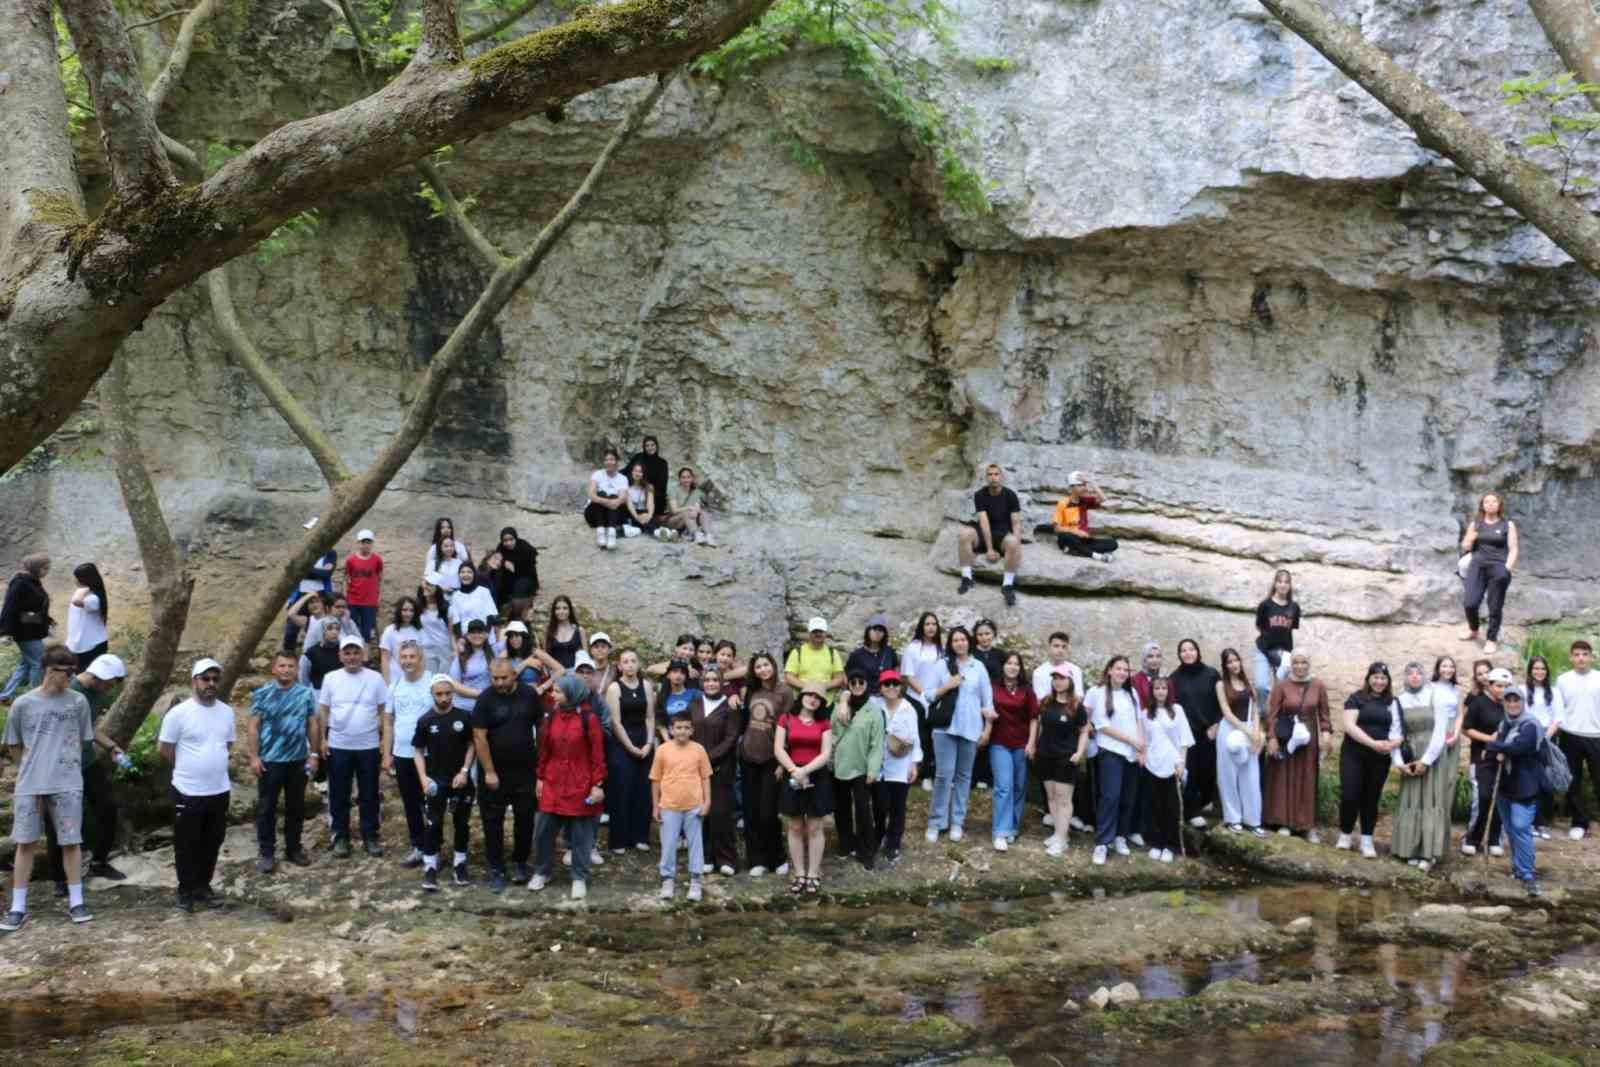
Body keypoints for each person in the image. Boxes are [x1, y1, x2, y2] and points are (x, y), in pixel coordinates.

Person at [1, 645, 96, 932]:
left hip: (67, 781)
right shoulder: (23, 704)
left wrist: (64, 764)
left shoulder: (78, 702)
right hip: (30, 783)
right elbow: (14, 744)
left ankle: (76, 901)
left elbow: (81, 740)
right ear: (48, 670)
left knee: (71, 841)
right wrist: (31, 767)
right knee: (26, 842)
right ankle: (18, 907)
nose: (70, 676)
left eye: (73, 671)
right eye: (65, 671)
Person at [159, 658, 236, 913]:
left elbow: (228, 745)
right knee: (186, 843)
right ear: (194, 681)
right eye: (206, 679)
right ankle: (185, 890)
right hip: (188, 790)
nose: (211, 684)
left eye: (215, 679)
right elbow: (165, 749)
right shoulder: (178, 714)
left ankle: (203, 886)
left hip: (219, 789)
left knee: (212, 841)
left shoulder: (226, 711)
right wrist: (189, 770)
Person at [47, 653, 129, 888]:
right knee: (59, 820)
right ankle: (59, 878)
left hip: (87, 762)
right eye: (111, 683)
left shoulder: (94, 693)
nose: (111, 688)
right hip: (62, 766)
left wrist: (111, 747)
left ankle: (99, 862)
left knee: (107, 806)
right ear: (99, 677)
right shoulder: (70, 692)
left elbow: (89, 727)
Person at [530, 675, 606, 899]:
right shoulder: (551, 717)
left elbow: (597, 754)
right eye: (553, 690)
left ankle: (579, 876)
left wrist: (597, 783)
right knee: (543, 830)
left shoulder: (588, 719)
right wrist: (540, 777)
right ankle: (543, 872)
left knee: (581, 834)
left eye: (558, 691)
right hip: (553, 781)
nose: (553, 695)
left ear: (572, 693)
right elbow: (544, 750)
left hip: (579, 781)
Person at [471, 657, 542, 893]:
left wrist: (540, 765)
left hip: (525, 771)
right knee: (492, 822)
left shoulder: (530, 695)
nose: (499, 683)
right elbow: (479, 737)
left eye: (503, 678)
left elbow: (540, 728)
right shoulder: (485, 700)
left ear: (514, 674)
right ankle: (496, 868)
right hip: (494, 773)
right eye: (494, 678)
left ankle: (520, 862)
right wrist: (489, 771)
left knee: (525, 818)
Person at [248, 651, 318, 874]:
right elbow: (253, 727)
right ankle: (267, 852)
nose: (286, 670)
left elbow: (312, 724)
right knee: (266, 807)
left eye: (290, 666)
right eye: (282, 666)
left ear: (297, 669)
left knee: (295, 807)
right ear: (274, 669)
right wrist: (254, 757)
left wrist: (314, 754)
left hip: (297, 760)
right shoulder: (263, 693)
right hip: (270, 761)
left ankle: (293, 848)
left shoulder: (305, 694)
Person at [925, 626, 993, 843]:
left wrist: (987, 729)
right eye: (955, 640)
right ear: (950, 644)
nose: (960, 643)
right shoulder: (942, 665)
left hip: (970, 728)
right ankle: (936, 822)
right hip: (945, 728)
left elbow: (987, 701)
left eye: (963, 639)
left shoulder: (978, 667)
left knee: (964, 777)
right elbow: (927, 695)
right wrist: (947, 686)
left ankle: (957, 822)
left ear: (969, 641)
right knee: (944, 775)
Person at [1391, 661, 1457, 872]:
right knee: (1412, 800)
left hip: (1434, 755)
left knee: (1432, 800)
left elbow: (1440, 731)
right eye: (1410, 673)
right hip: (1410, 754)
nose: (1415, 676)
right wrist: (1399, 763)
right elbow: (1395, 732)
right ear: (1405, 677)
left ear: (1425, 675)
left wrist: (1426, 760)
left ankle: (1430, 852)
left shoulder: (1434, 695)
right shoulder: (1398, 700)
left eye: (1419, 672)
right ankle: (1410, 848)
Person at [412, 674, 476, 890]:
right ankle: (430, 866)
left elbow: (471, 745)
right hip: (435, 780)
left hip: (460, 780)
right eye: (439, 694)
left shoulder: (464, 717)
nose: (444, 698)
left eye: (448, 693)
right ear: (432, 694)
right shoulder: (425, 720)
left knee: (461, 823)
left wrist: (465, 771)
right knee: (433, 823)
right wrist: (422, 777)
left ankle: (460, 863)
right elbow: (418, 751)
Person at [1262, 651, 1331, 841]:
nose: (1300, 666)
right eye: (1296, 662)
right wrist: (1272, 738)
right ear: (1290, 665)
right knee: (1284, 777)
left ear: (1309, 664)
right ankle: (1283, 822)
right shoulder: (1281, 685)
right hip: (1286, 735)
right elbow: (1272, 715)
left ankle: (1307, 826)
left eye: (1304, 662)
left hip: (1309, 737)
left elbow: (1324, 714)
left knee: (1307, 778)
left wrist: (1326, 735)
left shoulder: (1318, 685)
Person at [1338, 662, 1402, 858]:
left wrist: (1391, 745)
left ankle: (1367, 840)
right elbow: (1350, 726)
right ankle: (1345, 835)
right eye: (1375, 677)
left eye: (1383, 678)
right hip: (1353, 754)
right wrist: (1373, 743)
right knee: (1350, 795)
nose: (1379, 681)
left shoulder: (1393, 702)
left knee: (1371, 798)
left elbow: (1400, 731)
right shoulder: (1356, 698)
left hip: (1380, 758)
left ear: (1388, 681)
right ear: (1368, 679)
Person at [1086, 656, 1145, 865]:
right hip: (1110, 751)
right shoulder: (1097, 692)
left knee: (1128, 798)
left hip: (1131, 753)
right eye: (1118, 668)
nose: (1122, 673)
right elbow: (1100, 725)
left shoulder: (1132, 693)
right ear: (1109, 670)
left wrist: (1140, 747)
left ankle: (1121, 836)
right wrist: (1130, 740)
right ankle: (1102, 842)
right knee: (1110, 796)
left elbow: (1139, 720)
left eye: (1126, 670)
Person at [777, 684, 835, 895]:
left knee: (815, 827)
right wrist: (795, 770)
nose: (813, 699)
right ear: (801, 696)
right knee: (794, 826)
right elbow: (778, 748)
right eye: (810, 694)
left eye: (818, 697)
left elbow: (826, 752)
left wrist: (805, 771)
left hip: (816, 776)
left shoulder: (824, 723)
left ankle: (813, 873)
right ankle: (799, 873)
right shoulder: (786, 719)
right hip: (792, 774)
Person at [1487, 688, 1543, 897]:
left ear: (1522, 702)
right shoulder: (1505, 724)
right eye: (1508, 701)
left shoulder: (1530, 724)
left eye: (1516, 700)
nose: (1512, 704)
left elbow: (1520, 747)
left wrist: (1496, 746)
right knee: (1510, 828)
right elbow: (1501, 748)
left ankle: (1528, 874)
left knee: (1521, 827)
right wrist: (1499, 748)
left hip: (1525, 786)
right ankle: (1518, 869)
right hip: (1505, 785)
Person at [740, 653, 791, 876]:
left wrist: (783, 762)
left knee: (768, 812)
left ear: (773, 666)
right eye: (758, 666)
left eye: (766, 664)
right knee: (751, 811)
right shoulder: (750, 691)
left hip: (772, 759)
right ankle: (756, 860)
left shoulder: (784, 692)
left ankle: (777, 857)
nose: (763, 669)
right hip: (749, 757)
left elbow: (790, 727)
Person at [652, 712, 712, 901]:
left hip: (694, 805)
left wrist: (707, 801)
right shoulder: (662, 750)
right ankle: (667, 880)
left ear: (692, 730)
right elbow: (655, 779)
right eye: (678, 728)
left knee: (696, 844)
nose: (682, 731)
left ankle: (695, 881)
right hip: (669, 805)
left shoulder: (699, 750)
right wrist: (656, 805)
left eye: (686, 728)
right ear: (671, 730)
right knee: (668, 844)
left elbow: (705, 777)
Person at [686, 666, 740, 875]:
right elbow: (687, 730)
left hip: (720, 768)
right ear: (702, 682)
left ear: (721, 682)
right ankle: (706, 857)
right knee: (702, 814)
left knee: (721, 813)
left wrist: (707, 758)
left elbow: (731, 738)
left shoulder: (730, 706)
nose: (711, 683)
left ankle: (726, 859)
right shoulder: (695, 704)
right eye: (707, 680)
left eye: (715, 680)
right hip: (695, 769)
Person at [830, 669, 886, 869]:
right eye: (852, 682)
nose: (857, 686)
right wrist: (843, 703)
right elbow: (832, 734)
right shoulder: (838, 708)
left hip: (862, 767)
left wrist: (873, 770)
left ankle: (866, 851)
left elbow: (877, 743)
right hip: (840, 765)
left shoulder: (874, 712)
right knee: (841, 809)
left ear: (866, 684)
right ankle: (845, 844)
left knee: (863, 811)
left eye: (860, 682)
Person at [386, 642, 434, 868]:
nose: (407, 661)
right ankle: (418, 847)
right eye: (403, 656)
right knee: (411, 803)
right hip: (402, 754)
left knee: (432, 802)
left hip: (430, 753)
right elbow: (388, 721)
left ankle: (433, 848)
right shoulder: (394, 685)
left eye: (412, 656)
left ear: (420, 658)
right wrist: (386, 753)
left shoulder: (432, 681)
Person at [604, 649, 656, 854]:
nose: (630, 665)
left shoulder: (646, 685)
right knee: (622, 789)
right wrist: (630, 747)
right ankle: (619, 839)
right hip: (622, 743)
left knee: (643, 789)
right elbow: (615, 722)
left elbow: (650, 717)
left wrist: (649, 743)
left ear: (638, 664)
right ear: (620, 666)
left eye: (633, 661)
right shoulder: (614, 688)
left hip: (644, 740)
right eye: (626, 662)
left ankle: (641, 836)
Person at [1035, 667, 1088, 857]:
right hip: (1045, 755)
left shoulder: (1076, 706)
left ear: (1070, 681)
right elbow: (1039, 725)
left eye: (1062, 678)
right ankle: (1059, 834)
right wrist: (1034, 746)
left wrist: (1080, 752)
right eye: (1055, 678)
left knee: (1063, 799)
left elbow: (1084, 731)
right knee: (1051, 797)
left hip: (1065, 757)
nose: (1058, 681)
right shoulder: (1046, 702)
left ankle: (1062, 837)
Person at [1141, 676, 1193, 863]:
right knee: (1154, 805)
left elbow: (1185, 739)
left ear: (1169, 690)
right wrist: (1144, 757)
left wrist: (1182, 763)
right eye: (1157, 688)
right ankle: (1156, 842)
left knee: (1172, 807)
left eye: (1164, 688)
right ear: (1152, 691)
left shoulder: (1177, 711)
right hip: (1153, 764)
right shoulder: (1146, 713)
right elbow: (1145, 740)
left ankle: (1171, 845)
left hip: (1172, 765)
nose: (1160, 691)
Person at [989, 651, 1038, 851]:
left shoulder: (1027, 691)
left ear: (1020, 668)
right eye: (1009, 663)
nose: (1012, 667)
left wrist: (1032, 743)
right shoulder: (993, 688)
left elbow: (1034, 718)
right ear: (1003, 666)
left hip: (1021, 743)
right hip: (999, 742)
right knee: (1003, 786)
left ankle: (1013, 827)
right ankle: (1000, 831)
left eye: (1016, 664)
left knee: (1019, 786)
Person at [1462, 667, 1512, 858]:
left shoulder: (1510, 705)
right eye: (1498, 686)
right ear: (1490, 685)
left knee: (1500, 799)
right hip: (1482, 757)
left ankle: (1494, 839)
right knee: (1482, 797)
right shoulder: (1479, 703)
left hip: (1504, 759)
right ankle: (1472, 839)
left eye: (1506, 686)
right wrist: (1489, 739)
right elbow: (1467, 729)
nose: (1502, 690)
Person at [1460, 492, 1519, 655]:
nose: (1491, 504)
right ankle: (1473, 629)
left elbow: (1513, 549)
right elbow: (1465, 547)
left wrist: (1507, 568)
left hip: (1498, 567)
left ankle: (1491, 639)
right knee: (1470, 603)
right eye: (1487, 501)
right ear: (1482, 505)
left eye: (1494, 501)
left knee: (1495, 606)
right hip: (1477, 566)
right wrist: (1469, 539)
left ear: (1499, 505)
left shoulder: (1508, 525)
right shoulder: (1476, 524)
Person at [957, 463, 1023, 607]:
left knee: (1013, 542)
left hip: (1002, 534)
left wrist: (1016, 546)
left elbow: (1016, 523)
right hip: (983, 532)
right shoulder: (980, 495)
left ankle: (1007, 585)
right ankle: (967, 578)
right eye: (990, 474)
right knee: (964, 534)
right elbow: (984, 522)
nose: (993, 478)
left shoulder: (1010, 495)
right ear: (986, 477)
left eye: (996, 474)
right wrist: (989, 549)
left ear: (1001, 477)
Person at [1215, 648, 1264, 837]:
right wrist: (1247, 731)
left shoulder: (1248, 683)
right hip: (1229, 729)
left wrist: (1257, 733)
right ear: (1225, 665)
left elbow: (1256, 710)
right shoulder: (1221, 685)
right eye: (1229, 662)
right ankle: (1233, 818)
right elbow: (1226, 712)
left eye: (1236, 660)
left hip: (1249, 729)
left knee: (1251, 776)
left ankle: (1253, 821)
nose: (1234, 664)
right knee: (1228, 776)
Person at [1173, 639, 1223, 827]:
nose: (1188, 653)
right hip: (1187, 733)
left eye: (1191, 649)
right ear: (1179, 654)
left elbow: (1222, 703)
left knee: (1209, 769)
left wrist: (1217, 724)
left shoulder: (1211, 674)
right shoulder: (1174, 678)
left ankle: (1206, 803)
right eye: (1183, 650)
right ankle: (1191, 811)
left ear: (1197, 651)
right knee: (1191, 771)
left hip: (1209, 731)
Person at [876, 670, 921, 865]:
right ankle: (877, 836)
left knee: (897, 807)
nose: (891, 687)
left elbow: (915, 738)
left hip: (901, 765)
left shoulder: (908, 708)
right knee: (879, 805)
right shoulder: (874, 706)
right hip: (879, 765)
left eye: (895, 684)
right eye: (887, 684)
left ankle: (893, 844)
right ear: (881, 688)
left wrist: (914, 764)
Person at [1557, 640, 1600, 840]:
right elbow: (1558, 708)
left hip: (1596, 736)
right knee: (1573, 780)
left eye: (1584, 654)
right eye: (1577, 654)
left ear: (1591, 657)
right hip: (1570, 734)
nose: (1581, 658)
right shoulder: (1563, 680)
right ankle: (1579, 822)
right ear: (1571, 657)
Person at [0, 554, 51, 704]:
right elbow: (10, 607)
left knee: (26, 664)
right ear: (36, 568)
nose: (47, 571)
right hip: (24, 632)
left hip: (32, 629)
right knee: (38, 663)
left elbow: (34, 607)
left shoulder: (33, 582)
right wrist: (5, 632)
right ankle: (34, 697)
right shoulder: (21, 583)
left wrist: (47, 620)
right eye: (45, 568)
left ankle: (5, 696)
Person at [902, 612, 944, 790]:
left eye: (934, 624)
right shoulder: (913, 647)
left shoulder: (941, 649)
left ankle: (928, 774)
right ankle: (913, 771)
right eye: (927, 624)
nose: (931, 627)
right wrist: (924, 694)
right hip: (916, 698)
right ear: (921, 626)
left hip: (937, 698)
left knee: (933, 738)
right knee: (919, 736)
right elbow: (908, 675)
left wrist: (936, 695)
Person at [1524, 656, 1564, 839]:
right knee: (1529, 780)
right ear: (1530, 670)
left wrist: (1545, 737)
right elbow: (1521, 714)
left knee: (1545, 782)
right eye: (1536, 668)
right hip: (1528, 737)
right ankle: (1530, 822)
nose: (1539, 672)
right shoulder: (1523, 690)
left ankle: (1543, 823)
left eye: (1542, 669)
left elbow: (1558, 718)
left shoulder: (1554, 692)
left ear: (1546, 672)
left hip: (1548, 738)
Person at [1253, 570, 1300, 711]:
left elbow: (1292, 628)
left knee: (1281, 688)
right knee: (1261, 686)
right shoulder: (1265, 605)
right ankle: (1263, 714)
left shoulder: (1294, 607)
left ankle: (1277, 718)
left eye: (1286, 582)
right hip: (1264, 648)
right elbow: (1259, 625)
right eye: (1280, 581)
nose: (1283, 585)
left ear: (1290, 585)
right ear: (1275, 583)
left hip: (1284, 652)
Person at [784, 618, 846, 714]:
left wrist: (823, 686)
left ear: (825, 633)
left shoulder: (832, 653)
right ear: (809, 633)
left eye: (820, 631)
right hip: (801, 704)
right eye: (815, 631)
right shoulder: (797, 652)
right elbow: (789, 676)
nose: (818, 634)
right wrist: (809, 687)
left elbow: (839, 677)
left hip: (825, 704)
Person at [1052, 471, 1116, 562]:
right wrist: (1076, 531)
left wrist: (1091, 482)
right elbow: (1057, 529)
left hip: (1084, 540)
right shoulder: (1063, 503)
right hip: (1069, 538)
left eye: (1085, 485)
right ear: (1072, 487)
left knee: (1113, 543)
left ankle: (1075, 551)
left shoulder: (1085, 501)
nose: (1085, 488)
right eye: (1081, 485)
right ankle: (1096, 556)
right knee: (1066, 537)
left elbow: (1103, 498)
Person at [282, 549, 337, 652]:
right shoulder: (302, 552)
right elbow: (292, 571)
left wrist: (304, 570)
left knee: (323, 627)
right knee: (291, 630)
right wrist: (317, 572)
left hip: (321, 595)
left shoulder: (330, 552)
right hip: (301, 595)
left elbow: (326, 574)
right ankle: (288, 657)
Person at [66, 563, 109, 670]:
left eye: (76, 578)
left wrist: (84, 589)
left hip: (92, 645)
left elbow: (76, 601)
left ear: (84, 580)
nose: (74, 580)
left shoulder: (94, 598)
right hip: (78, 644)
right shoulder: (81, 592)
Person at [342, 530, 384, 641]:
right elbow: (346, 579)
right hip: (353, 600)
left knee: (367, 633)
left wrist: (378, 596)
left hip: (369, 602)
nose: (365, 545)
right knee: (352, 630)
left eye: (368, 542)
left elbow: (380, 579)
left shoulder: (377, 560)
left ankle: (366, 656)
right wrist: (345, 599)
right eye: (363, 542)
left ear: (372, 543)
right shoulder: (350, 560)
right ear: (358, 543)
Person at [585, 448, 629, 550]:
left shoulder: (622, 478)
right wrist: (607, 501)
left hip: (613, 516)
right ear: (604, 462)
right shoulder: (597, 474)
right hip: (595, 515)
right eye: (606, 460)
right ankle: (600, 532)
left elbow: (623, 498)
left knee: (614, 496)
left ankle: (611, 534)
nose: (609, 462)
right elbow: (591, 494)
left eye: (612, 459)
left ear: (617, 461)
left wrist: (615, 501)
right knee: (601, 493)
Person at [845, 615, 898, 697]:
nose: (877, 632)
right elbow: (848, 677)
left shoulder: (889, 652)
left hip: (887, 697)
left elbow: (895, 671)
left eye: (881, 630)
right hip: (866, 698)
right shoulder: (857, 655)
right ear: (868, 631)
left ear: (884, 634)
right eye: (874, 629)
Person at [662, 467, 716, 546]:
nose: (686, 480)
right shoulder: (673, 490)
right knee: (686, 513)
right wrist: (689, 508)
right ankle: (696, 534)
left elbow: (698, 506)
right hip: (674, 520)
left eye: (688, 477)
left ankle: (708, 535)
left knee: (704, 513)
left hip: (690, 519)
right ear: (679, 479)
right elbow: (674, 510)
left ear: (692, 478)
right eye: (683, 477)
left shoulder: (696, 492)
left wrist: (696, 510)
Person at [378, 596, 424, 686]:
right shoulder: (390, 631)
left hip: (414, 679)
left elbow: (421, 658)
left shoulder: (419, 631)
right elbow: (384, 659)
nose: (408, 613)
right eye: (405, 610)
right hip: (395, 678)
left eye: (411, 610)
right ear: (399, 611)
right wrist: (387, 683)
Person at [447, 563, 498, 640]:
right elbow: (456, 621)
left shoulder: (484, 591)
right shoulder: (455, 596)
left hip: (485, 637)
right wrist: (460, 639)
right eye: (462, 572)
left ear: (474, 574)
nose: (465, 575)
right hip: (467, 639)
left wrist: (486, 634)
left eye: (469, 572)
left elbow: (491, 614)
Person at [628, 436, 672, 522]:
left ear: (656, 446)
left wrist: (648, 490)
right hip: (637, 491)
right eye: (647, 445)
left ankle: (649, 518)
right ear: (644, 447)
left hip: (655, 494)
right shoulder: (639, 457)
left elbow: (662, 484)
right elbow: (627, 470)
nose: (650, 448)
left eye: (652, 445)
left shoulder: (662, 463)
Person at [298, 617, 346, 691]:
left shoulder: (344, 651)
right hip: (318, 693)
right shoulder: (310, 653)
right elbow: (303, 678)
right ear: (322, 630)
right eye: (330, 629)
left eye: (337, 629)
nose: (334, 632)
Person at [544, 595, 587, 671]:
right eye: (558, 608)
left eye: (565, 608)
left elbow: (585, 658)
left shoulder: (580, 630)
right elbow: (545, 656)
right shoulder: (549, 630)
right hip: (555, 675)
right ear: (554, 611)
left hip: (575, 674)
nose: (561, 611)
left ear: (570, 610)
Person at [495, 527, 539, 601]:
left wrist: (514, 566)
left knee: (518, 596)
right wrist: (504, 562)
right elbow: (496, 558)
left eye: (511, 539)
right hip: (508, 577)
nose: (508, 543)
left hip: (525, 576)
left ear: (515, 538)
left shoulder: (524, 547)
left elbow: (529, 567)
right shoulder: (501, 547)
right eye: (505, 540)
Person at [425, 519, 470, 584]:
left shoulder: (460, 546)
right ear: (438, 530)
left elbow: (467, 565)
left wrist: (469, 552)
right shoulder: (433, 549)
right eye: (442, 528)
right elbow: (429, 572)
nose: (446, 530)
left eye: (448, 527)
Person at [621, 462, 658, 539]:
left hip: (644, 512)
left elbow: (650, 504)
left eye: (640, 471)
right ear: (632, 472)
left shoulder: (648, 486)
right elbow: (629, 504)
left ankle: (660, 533)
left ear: (643, 474)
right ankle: (640, 529)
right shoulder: (626, 486)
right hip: (631, 512)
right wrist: (637, 517)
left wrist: (649, 516)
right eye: (635, 471)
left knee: (650, 522)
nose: (637, 473)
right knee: (634, 521)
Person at [1128, 640, 1161, 710]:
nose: (1155, 660)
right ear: (1144, 659)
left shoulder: (1165, 679)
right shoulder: (1135, 680)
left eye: (1158, 656)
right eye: (1150, 656)